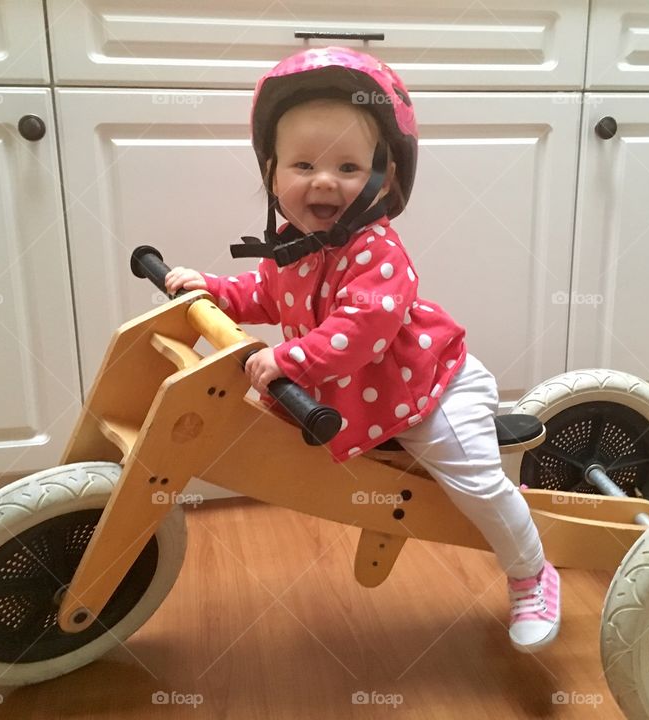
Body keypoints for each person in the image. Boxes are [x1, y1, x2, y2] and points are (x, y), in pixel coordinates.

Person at [165, 46, 560, 652]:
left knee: (474, 481)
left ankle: (532, 574)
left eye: (348, 168)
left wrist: (292, 360)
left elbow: (363, 327)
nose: (324, 180)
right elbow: (266, 296)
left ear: (385, 179)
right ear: (272, 173)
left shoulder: (377, 251)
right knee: (406, 481)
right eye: (302, 164)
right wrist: (212, 290)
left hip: (431, 386)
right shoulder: (295, 248)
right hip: (372, 396)